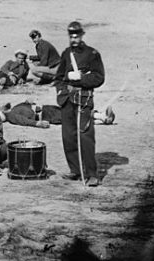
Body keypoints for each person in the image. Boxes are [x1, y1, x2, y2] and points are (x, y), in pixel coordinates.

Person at [54, 21, 105, 187]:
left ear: (82, 36)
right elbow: (59, 77)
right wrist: (61, 91)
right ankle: (75, 170)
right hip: (67, 99)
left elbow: (99, 77)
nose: (74, 39)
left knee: (85, 137)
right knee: (68, 137)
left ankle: (92, 174)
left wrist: (81, 79)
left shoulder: (92, 54)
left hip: (83, 99)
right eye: (71, 36)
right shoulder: (66, 53)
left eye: (76, 36)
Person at [0, 101, 116, 127]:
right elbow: (24, 121)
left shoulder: (13, 109)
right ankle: (101, 116)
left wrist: (28, 102)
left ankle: (101, 119)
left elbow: (26, 105)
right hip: (45, 115)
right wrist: (37, 124)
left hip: (45, 110)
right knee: (71, 114)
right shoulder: (11, 116)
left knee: (72, 116)